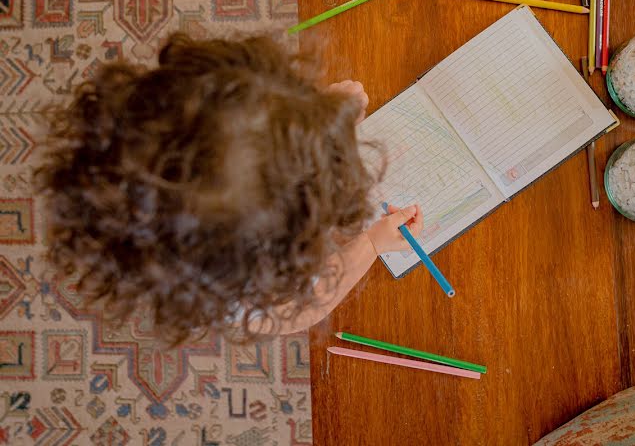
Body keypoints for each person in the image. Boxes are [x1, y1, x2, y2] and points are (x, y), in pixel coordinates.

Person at [36, 32, 422, 344]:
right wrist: (370, 243)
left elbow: (251, 135)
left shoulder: (149, 136)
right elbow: (294, 314)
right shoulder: (238, 288)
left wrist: (318, 118)